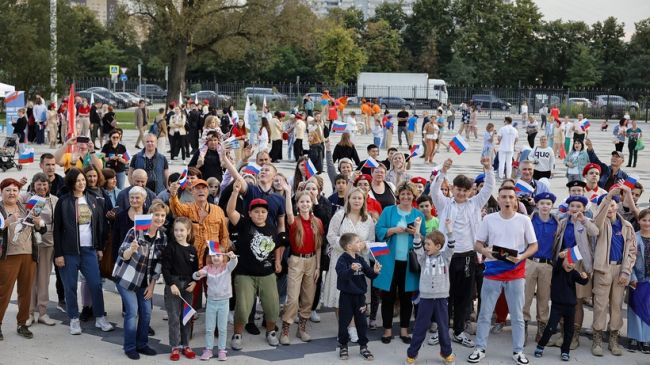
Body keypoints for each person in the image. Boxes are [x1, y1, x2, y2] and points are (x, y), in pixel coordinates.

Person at [468, 186, 538, 365]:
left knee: (517, 315)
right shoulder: (489, 219)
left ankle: (518, 351)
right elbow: (478, 243)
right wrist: (485, 251)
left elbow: (533, 245)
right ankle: (480, 348)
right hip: (492, 271)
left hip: (516, 272)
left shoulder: (523, 220)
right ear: (498, 199)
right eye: (504, 197)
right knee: (484, 314)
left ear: (515, 200)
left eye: (510, 197)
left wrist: (521, 256)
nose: (507, 200)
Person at [431, 157, 494, 347]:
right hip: (446, 256)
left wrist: (488, 168)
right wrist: (443, 170)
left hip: (467, 256)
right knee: (443, 295)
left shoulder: (475, 204)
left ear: (471, 191)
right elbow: (434, 190)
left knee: (463, 297)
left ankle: (458, 331)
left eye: (465, 190)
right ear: (452, 188)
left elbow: (489, 188)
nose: (461, 193)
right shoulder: (444, 204)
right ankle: (442, 331)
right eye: (458, 189)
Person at [53, 168, 114, 336]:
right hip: (68, 252)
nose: (82, 183)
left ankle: (100, 317)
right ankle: (73, 319)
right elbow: (56, 230)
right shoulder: (63, 201)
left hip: (89, 250)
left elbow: (100, 225)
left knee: (95, 284)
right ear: (72, 182)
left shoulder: (93, 200)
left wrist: (99, 247)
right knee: (70, 287)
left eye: (83, 180)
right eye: (78, 180)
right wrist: (58, 254)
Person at [226, 188, 282, 350]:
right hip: (245, 274)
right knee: (243, 308)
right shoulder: (244, 224)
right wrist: (235, 192)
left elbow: (277, 245)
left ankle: (271, 332)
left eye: (263, 211)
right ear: (250, 213)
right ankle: (237, 334)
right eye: (256, 211)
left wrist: (278, 261)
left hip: (267, 273)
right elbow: (230, 211)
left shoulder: (271, 227)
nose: (260, 214)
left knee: (272, 306)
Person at [112, 201, 168, 359]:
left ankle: (142, 344)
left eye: (162, 215)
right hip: (127, 279)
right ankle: (129, 347)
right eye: (156, 214)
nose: (159, 218)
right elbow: (122, 253)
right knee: (132, 312)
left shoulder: (162, 237)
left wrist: (152, 286)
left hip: (145, 281)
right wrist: (131, 249)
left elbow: (159, 264)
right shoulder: (135, 231)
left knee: (147, 313)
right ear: (150, 215)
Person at [375, 181, 428, 344]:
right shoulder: (388, 211)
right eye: (403, 194)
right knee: (388, 297)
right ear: (398, 196)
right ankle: (387, 330)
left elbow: (425, 239)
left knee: (406, 298)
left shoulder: (418, 215)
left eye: (409, 194)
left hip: (409, 263)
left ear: (413, 196)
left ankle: (404, 330)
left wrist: (416, 233)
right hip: (390, 261)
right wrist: (393, 230)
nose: (406, 196)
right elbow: (378, 231)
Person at [323, 187, 376, 339]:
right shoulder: (340, 215)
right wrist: (347, 248)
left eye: (360, 198)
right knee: (340, 295)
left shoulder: (368, 219)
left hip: (360, 261)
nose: (357, 201)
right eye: (354, 198)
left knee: (356, 296)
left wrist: (362, 245)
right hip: (341, 259)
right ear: (348, 199)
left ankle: (354, 325)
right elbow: (331, 236)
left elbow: (371, 240)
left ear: (364, 200)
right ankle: (346, 327)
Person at [591, 190, 637, 357]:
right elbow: (595, 224)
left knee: (616, 305)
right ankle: (597, 337)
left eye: (612, 205)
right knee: (600, 304)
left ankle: (613, 338)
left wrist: (626, 271)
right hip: (603, 269)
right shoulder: (600, 223)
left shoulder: (627, 226)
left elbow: (632, 250)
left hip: (619, 270)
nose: (609, 208)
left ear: (617, 206)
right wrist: (607, 196)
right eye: (606, 205)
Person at [0, 178, 46, 340]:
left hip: (28, 254)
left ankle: (22, 324)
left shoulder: (24, 206)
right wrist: (7, 222)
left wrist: (38, 222)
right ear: (1, 192)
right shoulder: (0, 208)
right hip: (7, 256)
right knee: (3, 293)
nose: (12, 193)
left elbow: (41, 227)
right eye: (8, 190)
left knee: (26, 292)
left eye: (14, 190)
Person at [278, 188, 324, 344]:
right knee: (292, 298)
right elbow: (289, 214)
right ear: (297, 204)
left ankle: (301, 329)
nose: (305, 204)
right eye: (302, 201)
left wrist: (318, 267)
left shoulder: (317, 222)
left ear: (312, 204)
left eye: (308, 201)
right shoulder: (294, 221)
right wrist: (288, 191)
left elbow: (318, 246)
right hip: (296, 261)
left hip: (312, 261)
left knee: (308, 297)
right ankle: (285, 330)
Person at [405, 226, 456, 365]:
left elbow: (451, 246)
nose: (425, 246)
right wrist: (416, 233)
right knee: (420, 327)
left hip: (441, 299)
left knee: (444, 327)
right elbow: (416, 247)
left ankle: (446, 352)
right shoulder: (422, 258)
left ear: (438, 246)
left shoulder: (445, 258)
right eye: (425, 243)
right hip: (426, 299)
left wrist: (450, 232)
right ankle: (412, 354)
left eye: (428, 244)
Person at [534, 252, 590, 361]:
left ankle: (565, 351)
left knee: (569, 331)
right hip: (557, 306)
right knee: (550, 328)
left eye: (573, 262)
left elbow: (582, 282)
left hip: (570, 307)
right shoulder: (557, 271)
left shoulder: (574, 273)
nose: (570, 264)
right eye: (568, 261)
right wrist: (560, 258)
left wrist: (585, 278)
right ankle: (541, 346)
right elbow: (558, 264)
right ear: (563, 262)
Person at [335, 232, 381, 361]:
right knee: (344, 322)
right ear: (349, 246)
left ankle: (363, 346)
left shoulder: (360, 259)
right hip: (346, 297)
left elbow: (370, 274)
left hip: (360, 297)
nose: (360, 243)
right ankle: (343, 346)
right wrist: (351, 269)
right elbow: (342, 275)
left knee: (361, 322)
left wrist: (375, 272)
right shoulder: (342, 259)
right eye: (357, 242)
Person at [22, 173, 58, 327]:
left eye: (45, 184)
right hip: (28, 244)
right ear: (33, 185)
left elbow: (58, 223)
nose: (42, 187)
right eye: (39, 184)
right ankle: (28, 313)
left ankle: (42, 312)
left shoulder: (54, 200)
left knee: (44, 279)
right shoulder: (25, 198)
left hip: (47, 243)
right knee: (30, 279)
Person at [161, 217, 199, 361]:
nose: (179, 233)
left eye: (182, 230)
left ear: (188, 231)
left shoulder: (192, 249)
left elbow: (196, 269)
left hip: (188, 285)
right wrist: (171, 284)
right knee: (174, 317)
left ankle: (186, 345)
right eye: (176, 230)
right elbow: (165, 268)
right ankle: (175, 346)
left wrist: (195, 282)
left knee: (186, 316)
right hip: (174, 285)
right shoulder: (170, 247)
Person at [524, 192, 559, 344]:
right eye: (542, 203)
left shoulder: (557, 223)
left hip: (547, 264)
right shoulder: (530, 221)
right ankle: (523, 326)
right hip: (530, 262)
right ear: (537, 205)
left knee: (544, 298)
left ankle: (542, 328)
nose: (545, 206)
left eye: (548, 204)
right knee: (525, 296)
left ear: (552, 206)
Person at [194, 246, 238, 361]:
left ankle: (221, 350)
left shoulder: (227, 267)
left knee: (222, 328)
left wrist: (233, 257)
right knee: (209, 328)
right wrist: (198, 274)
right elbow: (197, 276)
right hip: (211, 302)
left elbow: (234, 263)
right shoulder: (208, 268)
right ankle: (208, 349)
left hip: (224, 302)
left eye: (218, 255)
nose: (216, 258)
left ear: (224, 257)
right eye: (213, 256)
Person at [628, 209, 650, 353]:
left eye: (649, 221)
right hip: (637, 278)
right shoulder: (634, 238)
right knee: (635, 308)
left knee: (648, 309)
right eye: (644, 220)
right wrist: (632, 278)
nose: (647, 223)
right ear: (639, 221)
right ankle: (634, 337)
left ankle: (646, 339)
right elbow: (629, 259)